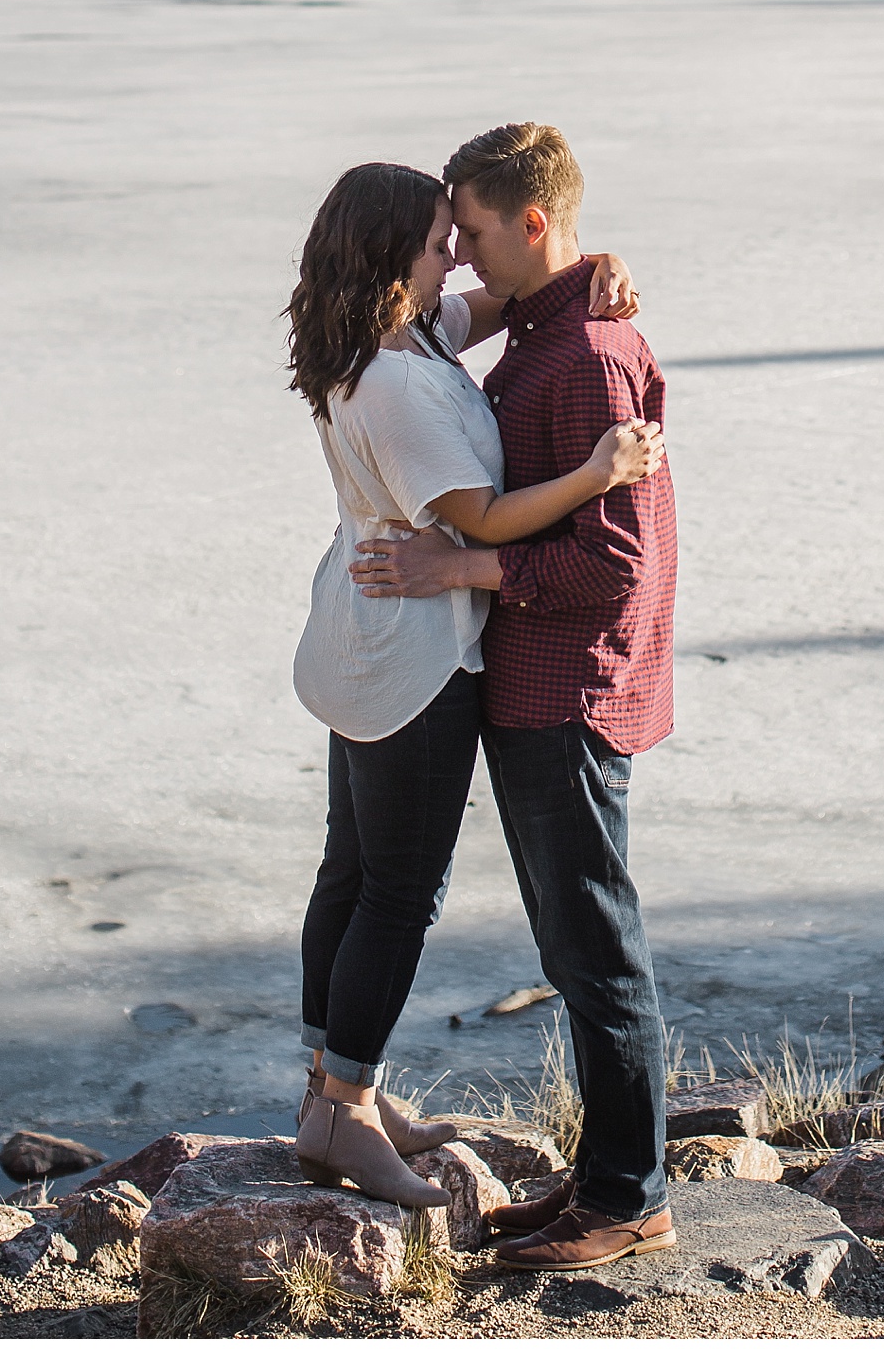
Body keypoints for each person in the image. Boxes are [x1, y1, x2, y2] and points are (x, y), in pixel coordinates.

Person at [285, 159, 660, 1209]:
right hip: (412, 654)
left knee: (350, 873)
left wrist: (598, 263)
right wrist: (598, 473)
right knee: (398, 892)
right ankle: (346, 1116)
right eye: (437, 239)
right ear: (391, 258)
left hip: (364, 634)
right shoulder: (398, 381)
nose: (455, 253)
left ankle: (329, 1087)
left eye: (460, 231)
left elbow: (503, 293)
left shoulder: (396, 335)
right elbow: (482, 523)